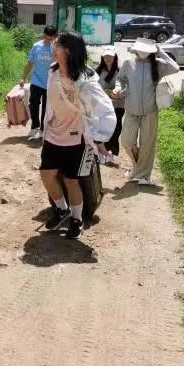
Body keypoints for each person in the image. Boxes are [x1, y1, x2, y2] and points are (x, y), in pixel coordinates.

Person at [39, 31, 116, 239]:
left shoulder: (85, 81)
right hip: (53, 134)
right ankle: (61, 209)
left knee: (71, 180)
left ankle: (76, 219)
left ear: (68, 51)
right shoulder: (52, 72)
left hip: (77, 138)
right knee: (46, 174)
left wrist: (99, 138)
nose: (53, 48)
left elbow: (106, 110)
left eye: (57, 45)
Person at [112, 37, 179, 186]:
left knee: (147, 145)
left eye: (146, 51)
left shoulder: (158, 64)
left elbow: (176, 68)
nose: (143, 53)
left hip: (150, 111)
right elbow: (121, 79)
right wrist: (118, 88)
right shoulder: (128, 63)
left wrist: (161, 52)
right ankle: (137, 168)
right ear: (136, 49)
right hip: (131, 110)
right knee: (127, 141)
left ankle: (144, 176)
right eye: (141, 50)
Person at [20, 25, 57, 141]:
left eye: (51, 37)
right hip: (36, 81)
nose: (49, 39)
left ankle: (43, 130)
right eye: (47, 37)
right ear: (44, 35)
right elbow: (30, 63)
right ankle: (34, 126)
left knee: (47, 108)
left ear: (54, 36)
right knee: (33, 105)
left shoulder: (56, 48)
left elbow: (59, 63)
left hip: (50, 82)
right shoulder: (37, 46)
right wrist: (23, 78)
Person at [95, 46, 124, 166]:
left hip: (118, 105)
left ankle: (112, 153)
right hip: (103, 106)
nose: (108, 59)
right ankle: (104, 153)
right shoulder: (97, 71)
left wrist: (117, 92)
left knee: (116, 129)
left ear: (115, 57)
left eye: (110, 56)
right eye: (106, 56)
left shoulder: (120, 71)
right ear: (102, 57)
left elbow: (122, 85)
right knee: (104, 129)